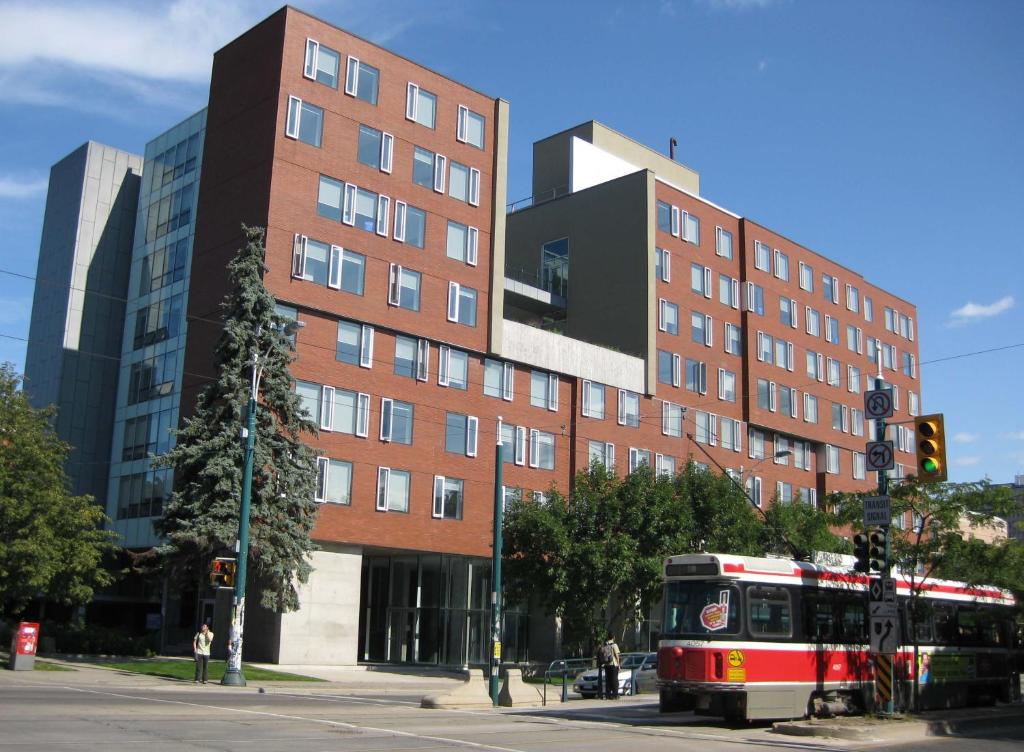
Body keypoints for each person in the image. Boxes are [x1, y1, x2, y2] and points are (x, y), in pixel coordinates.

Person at [601, 635, 621, 700]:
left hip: (606, 664)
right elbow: (617, 655)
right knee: (614, 680)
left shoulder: (605, 644)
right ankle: (615, 695)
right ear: (613, 637)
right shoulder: (614, 645)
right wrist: (618, 664)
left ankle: (608, 695)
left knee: (608, 680)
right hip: (613, 664)